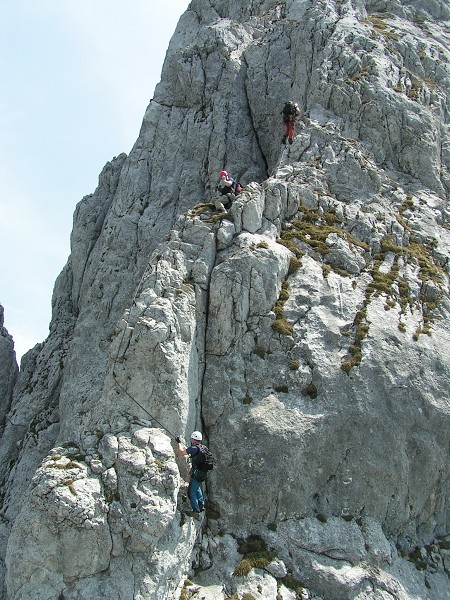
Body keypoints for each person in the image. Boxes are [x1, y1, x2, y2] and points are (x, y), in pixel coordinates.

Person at [176, 430, 207, 519]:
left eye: (192, 439)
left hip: (197, 474)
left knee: (191, 492)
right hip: (203, 473)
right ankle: (201, 504)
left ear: (193, 439)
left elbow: (182, 452)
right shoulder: (203, 448)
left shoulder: (194, 448)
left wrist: (178, 443)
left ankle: (196, 511)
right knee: (197, 488)